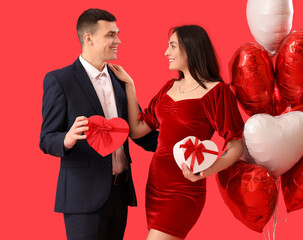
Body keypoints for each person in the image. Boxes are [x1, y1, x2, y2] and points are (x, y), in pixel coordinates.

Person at [109, 25, 244, 240]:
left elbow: (237, 144)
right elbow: (136, 131)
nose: (166, 52)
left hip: (185, 188)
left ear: (191, 48)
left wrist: (207, 170)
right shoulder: (169, 87)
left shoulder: (217, 92)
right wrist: (130, 85)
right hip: (155, 184)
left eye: (172, 46)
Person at [40, 8, 158, 240]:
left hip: (119, 192)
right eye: (111, 35)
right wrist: (67, 138)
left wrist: (178, 145)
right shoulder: (59, 80)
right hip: (82, 197)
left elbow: (137, 132)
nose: (118, 40)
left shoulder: (120, 79)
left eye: (117, 33)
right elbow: (46, 139)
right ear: (89, 38)